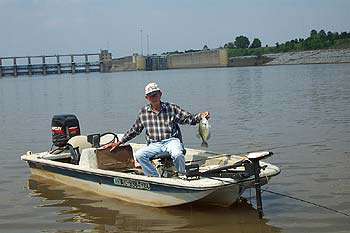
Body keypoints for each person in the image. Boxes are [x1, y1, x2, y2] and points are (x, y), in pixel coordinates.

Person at [102, 82, 210, 177]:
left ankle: (182, 175)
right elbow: (135, 130)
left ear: (160, 94)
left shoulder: (171, 108)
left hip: (171, 140)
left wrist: (201, 116)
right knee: (139, 155)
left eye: (155, 94)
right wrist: (119, 142)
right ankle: (154, 177)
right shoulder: (143, 112)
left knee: (177, 154)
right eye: (150, 95)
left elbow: (189, 119)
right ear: (147, 98)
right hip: (154, 144)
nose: (153, 97)